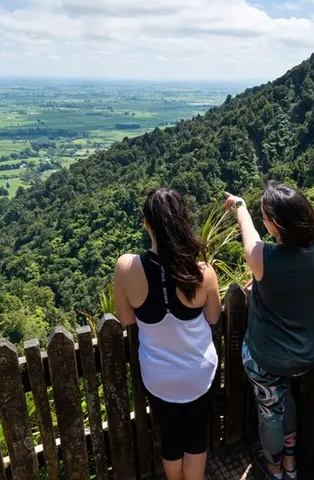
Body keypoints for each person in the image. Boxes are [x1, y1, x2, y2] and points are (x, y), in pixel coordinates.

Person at [225, 182, 314, 480]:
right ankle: (291, 465)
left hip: (267, 359)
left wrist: (240, 205)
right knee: (284, 399)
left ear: (276, 224)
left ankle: (273, 469)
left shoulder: (265, 259)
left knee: (270, 412)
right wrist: (263, 282)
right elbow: (297, 282)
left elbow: (250, 240)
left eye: (265, 217)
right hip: (306, 356)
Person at [114, 188, 222, 480]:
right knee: (196, 437)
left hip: (158, 376)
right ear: (183, 221)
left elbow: (126, 318)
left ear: (146, 224)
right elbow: (213, 317)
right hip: (199, 373)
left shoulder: (125, 268)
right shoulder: (203, 272)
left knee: (171, 438)